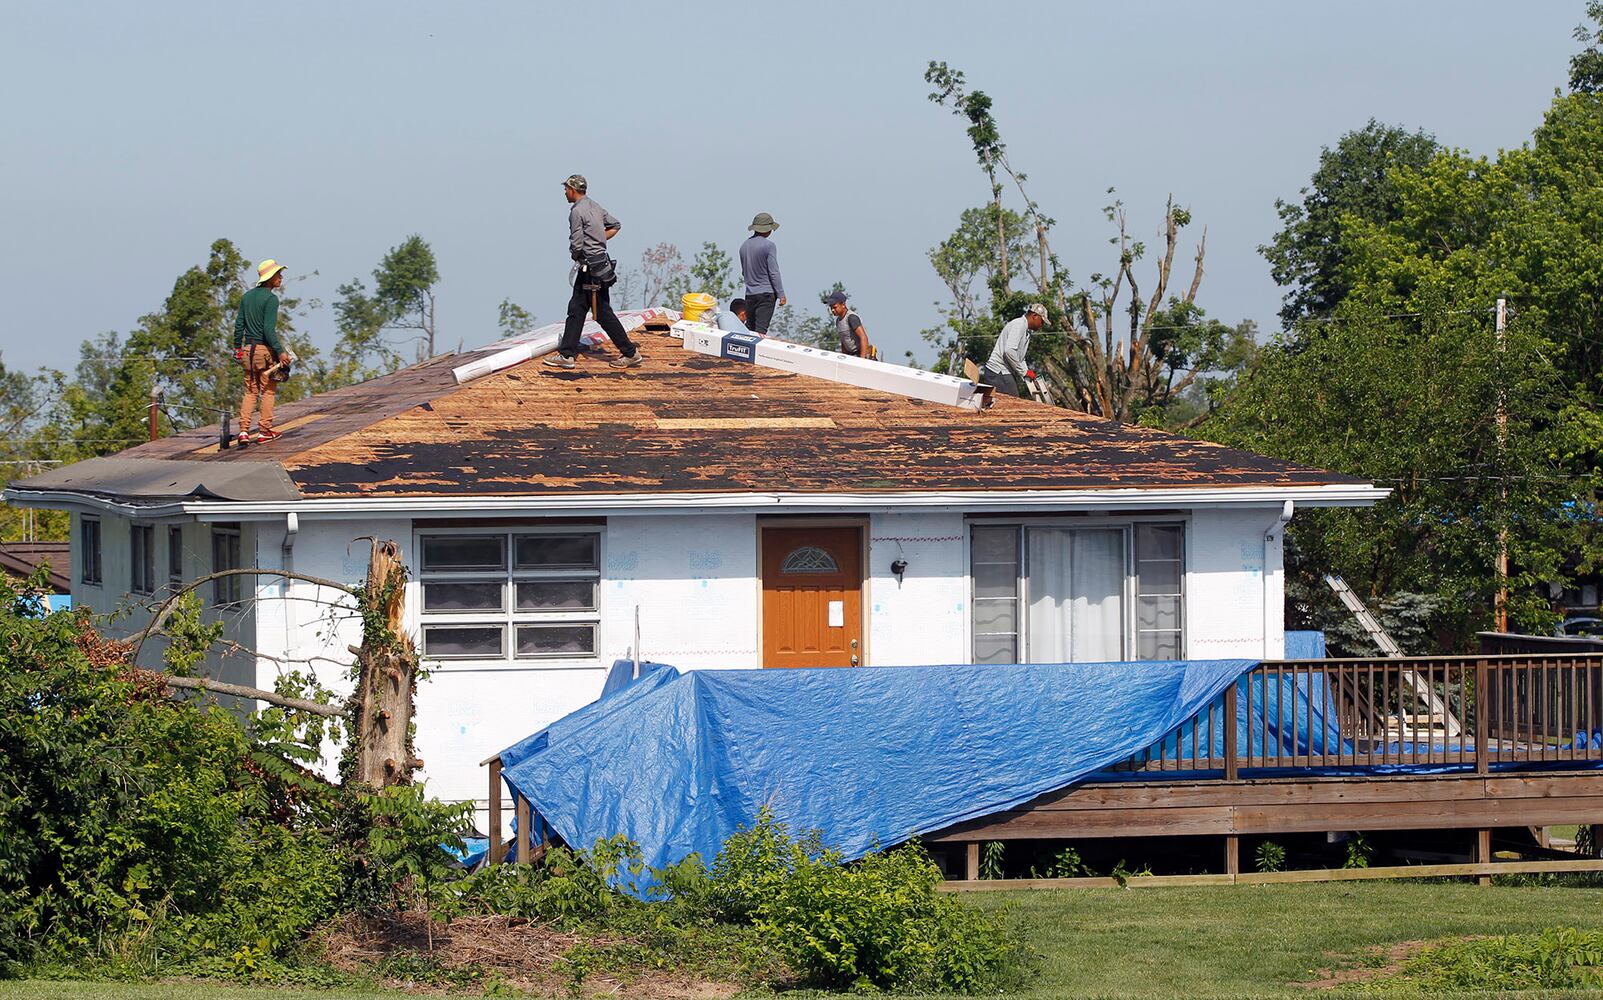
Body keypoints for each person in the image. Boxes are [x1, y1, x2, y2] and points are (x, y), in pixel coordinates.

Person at [545, 174, 643, 370]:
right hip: (601, 265)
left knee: (603, 313)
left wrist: (578, 254)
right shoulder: (595, 206)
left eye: (566, 189)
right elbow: (615, 225)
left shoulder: (576, 212)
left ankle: (630, 352)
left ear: (573, 190)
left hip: (590, 268)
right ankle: (567, 354)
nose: (565, 192)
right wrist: (600, 240)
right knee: (577, 309)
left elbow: (576, 243)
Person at [233, 259, 292, 443]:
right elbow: (268, 330)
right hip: (263, 351)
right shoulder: (271, 299)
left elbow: (239, 325)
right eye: (278, 275)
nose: (281, 278)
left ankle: (243, 432)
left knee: (250, 392)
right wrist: (281, 352)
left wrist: (237, 348)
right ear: (269, 278)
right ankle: (265, 431)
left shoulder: (247, 297)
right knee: (268, 391)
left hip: (247, 349)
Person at [982, 302, 1047, 398]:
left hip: (1003, 372)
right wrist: (1024, 372)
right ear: (1034, 316)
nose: (1041, 325)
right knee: (1013, 403)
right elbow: (1009, 351)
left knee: (1013, 402)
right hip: (998, 372)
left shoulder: (1026, 332)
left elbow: (1020, 358)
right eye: (1042, 321)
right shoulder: (1019, 325)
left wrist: (1027, 375)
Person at [739, 212, 785, 334]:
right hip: (766, 295)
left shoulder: (744, 246)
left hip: (750, 295)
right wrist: (781, 294)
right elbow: (774, 272)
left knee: (750, 332)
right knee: (760, 332)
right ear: (766, 229)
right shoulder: (769, 246)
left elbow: (744, 273)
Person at [826, 291, 871, 358]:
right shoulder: (838, 321)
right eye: (831, 308)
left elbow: (863, 337)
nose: (832, 310)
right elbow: (844, 341)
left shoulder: (851, 318)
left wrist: (862, 359)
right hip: (851, 356)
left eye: (835, 307)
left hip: (860, 354)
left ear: (843, 305)